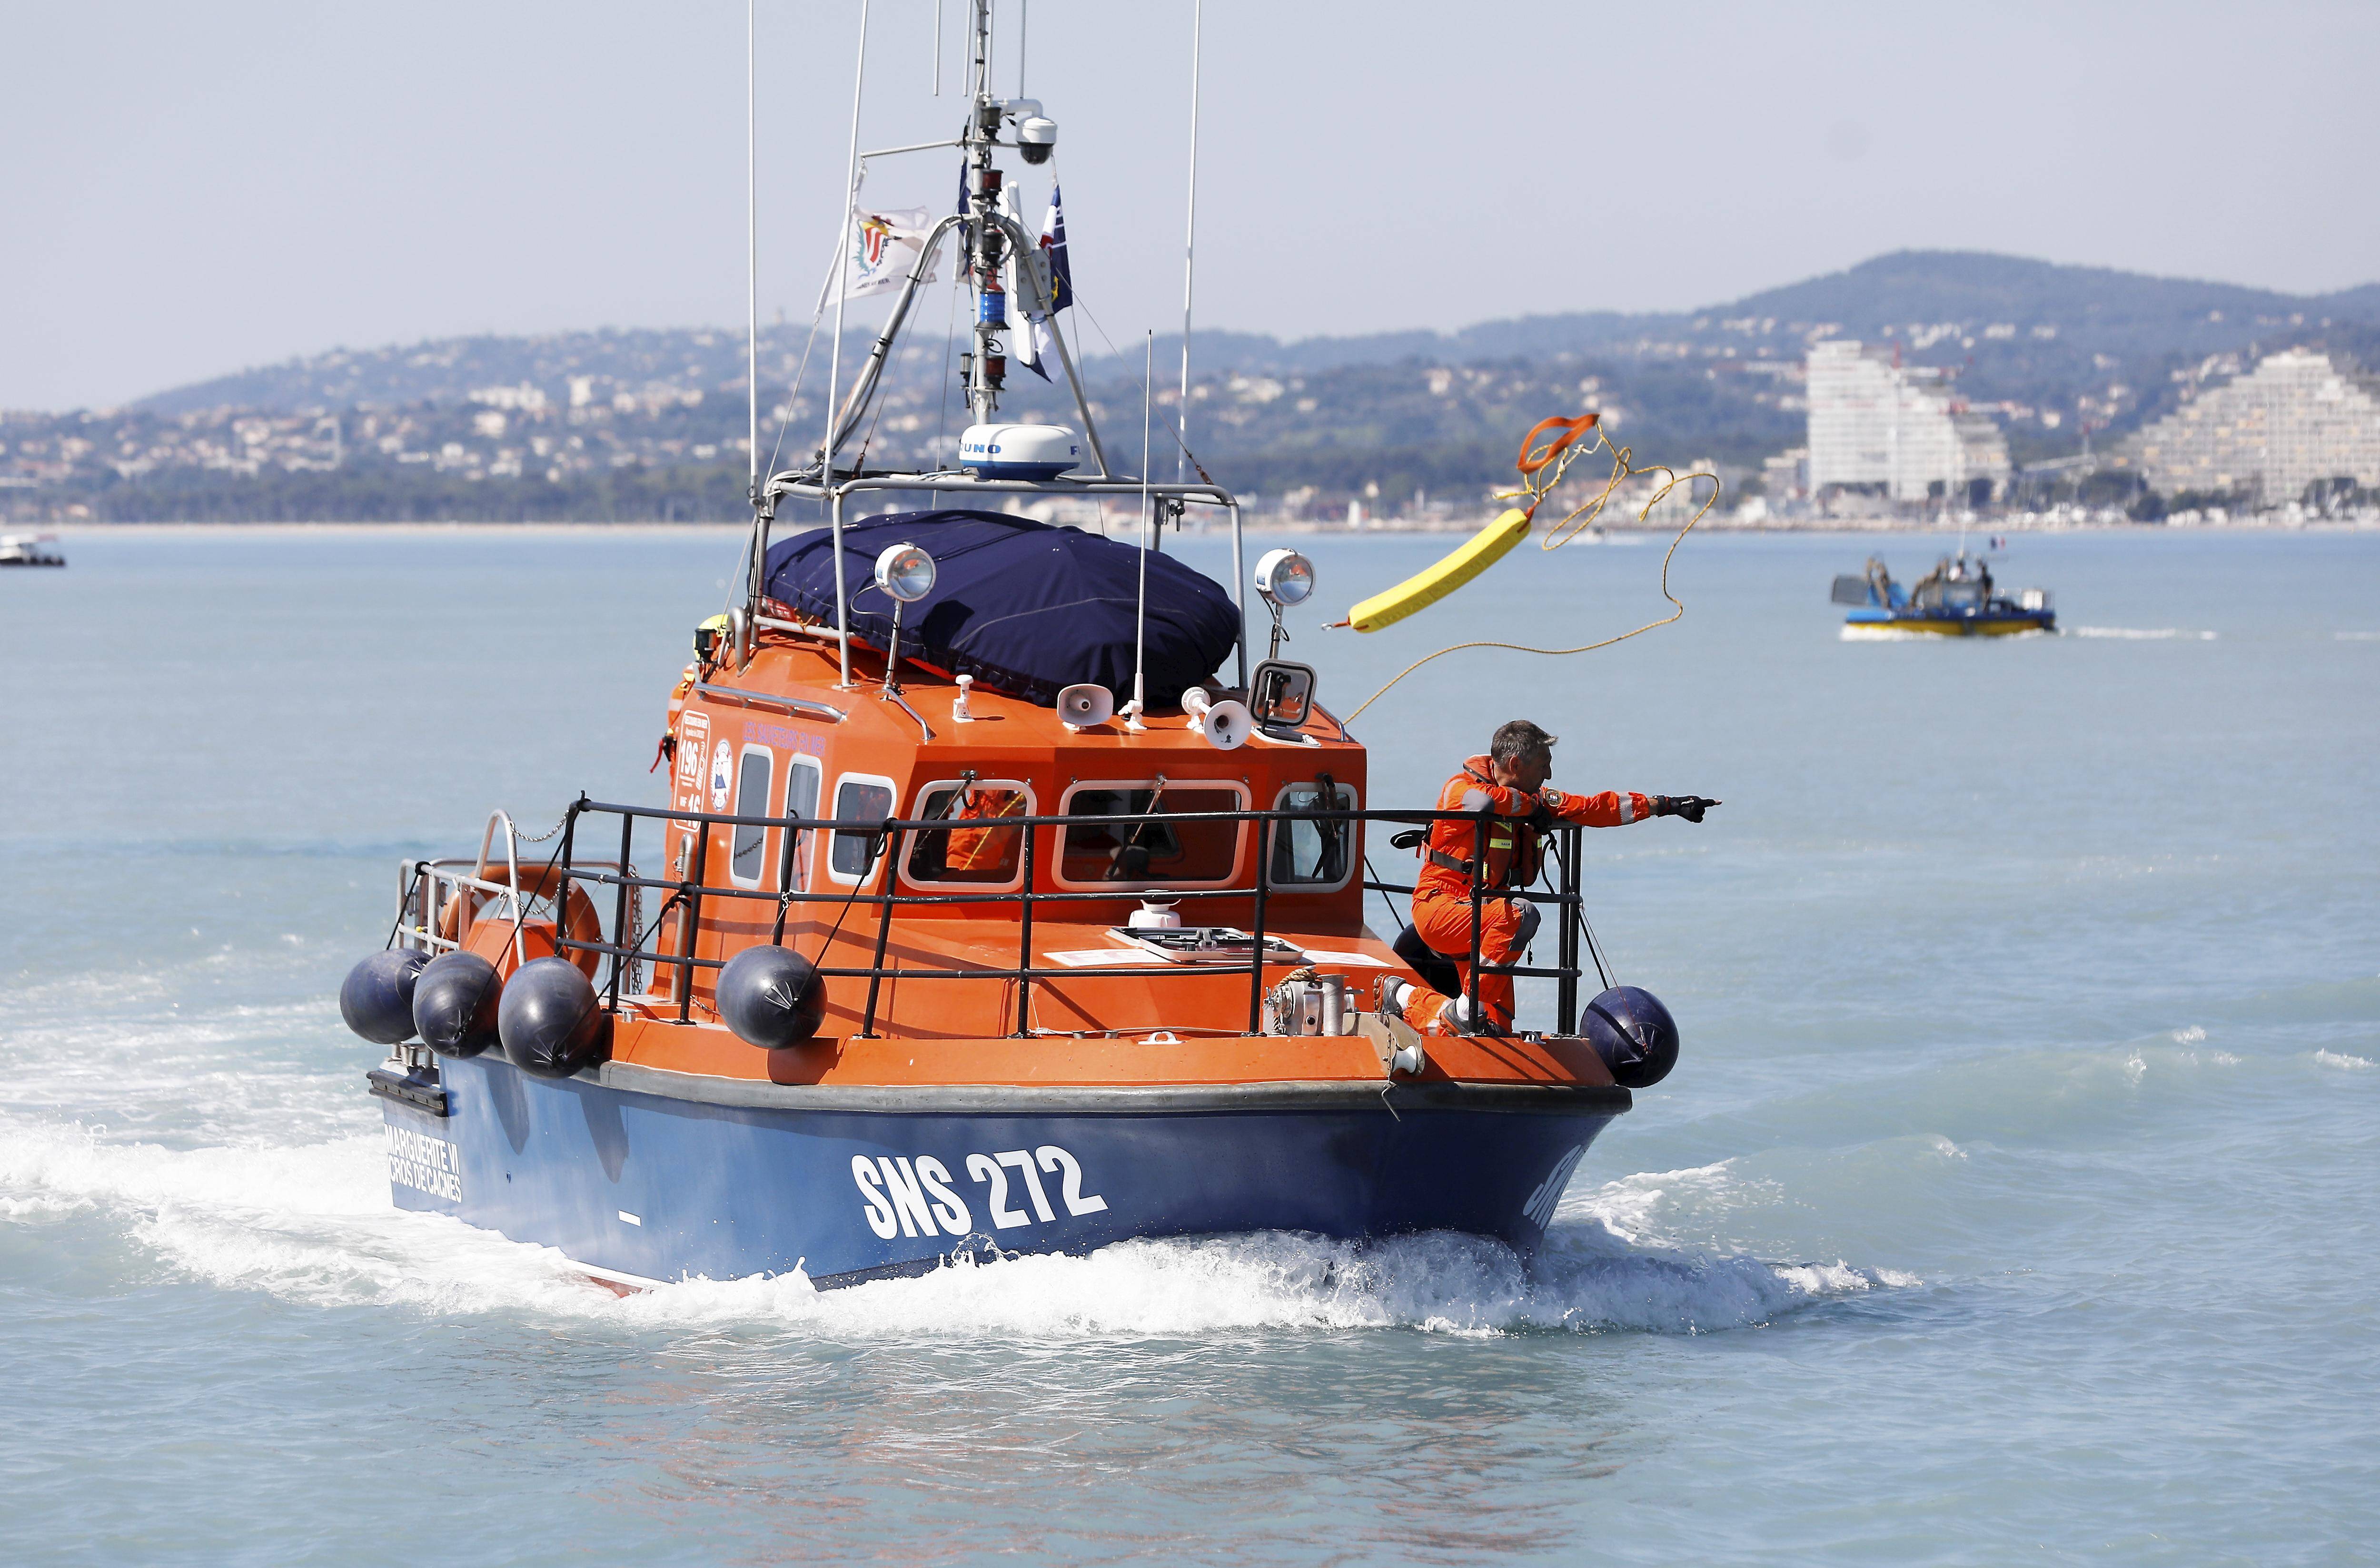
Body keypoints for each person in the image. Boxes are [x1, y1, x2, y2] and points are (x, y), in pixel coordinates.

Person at [1385, 720, 1717, 1036]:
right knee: (1522, 914)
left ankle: (1402, 999)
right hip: (1440, 908)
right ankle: (1465, 1009)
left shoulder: (1536, 797)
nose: (1549, 774)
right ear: (1515, 764)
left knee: (1494, 1031)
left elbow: (1596, 808)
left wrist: (1666, 805)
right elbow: (1483, 802)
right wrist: (1529, 808)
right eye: (1544, 764)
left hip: (1484, 921)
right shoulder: (1459, 788)